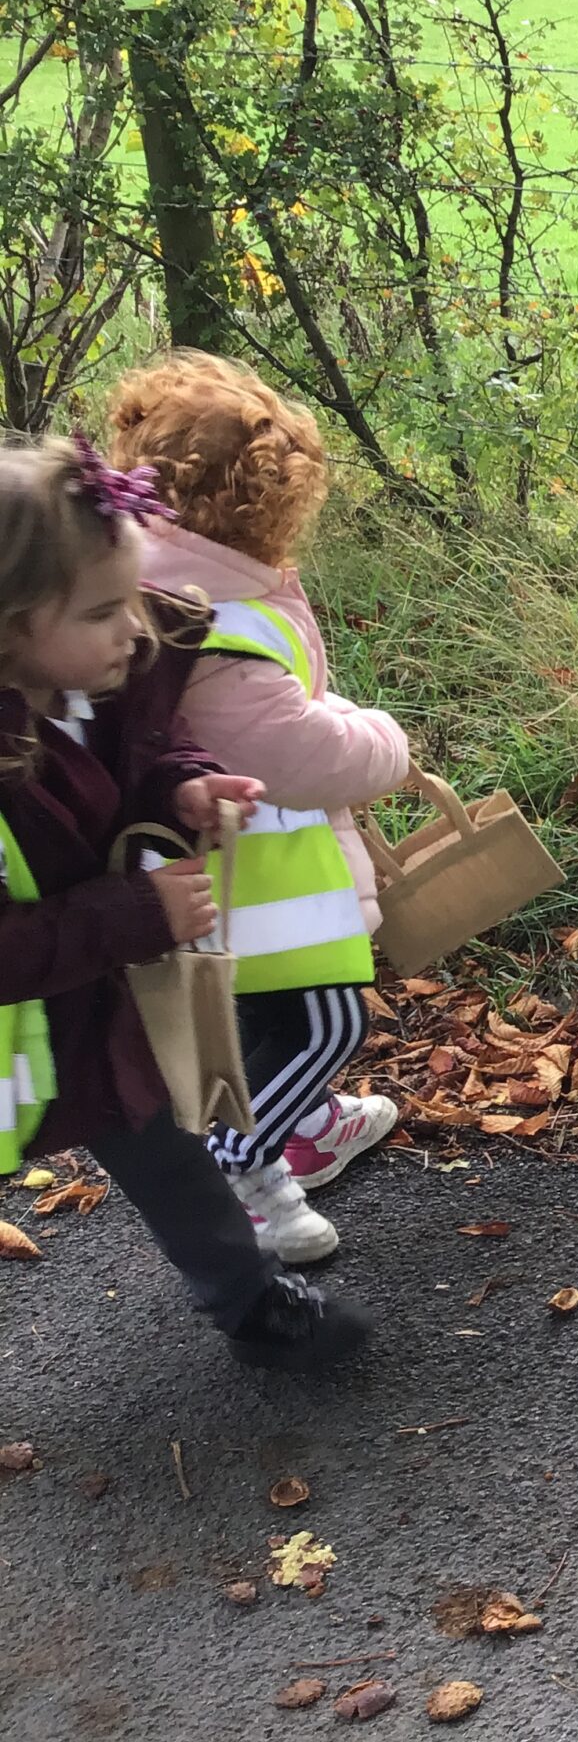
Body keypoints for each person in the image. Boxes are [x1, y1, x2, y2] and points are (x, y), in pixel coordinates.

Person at [0, 434, 370, 1368]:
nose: (135, 628)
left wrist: (185, 787)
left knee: (164, 1149)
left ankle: (252, 1301)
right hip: (26, 1021)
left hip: (86, 1016)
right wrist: (137, 913)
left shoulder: (92, 687)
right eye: (102, 610)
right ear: (8, 627)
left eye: (133, 597)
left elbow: (148, 755)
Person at [112, 351, 413, 1264]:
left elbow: (262, 713)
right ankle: (242, 1166)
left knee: (259, 1017)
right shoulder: (213, 614)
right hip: (260, 871)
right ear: (262, 505)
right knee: (327, 1019)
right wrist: (382, 739)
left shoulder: (155, 571)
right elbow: (290, 752)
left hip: (217, 866)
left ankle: (303, 1125)